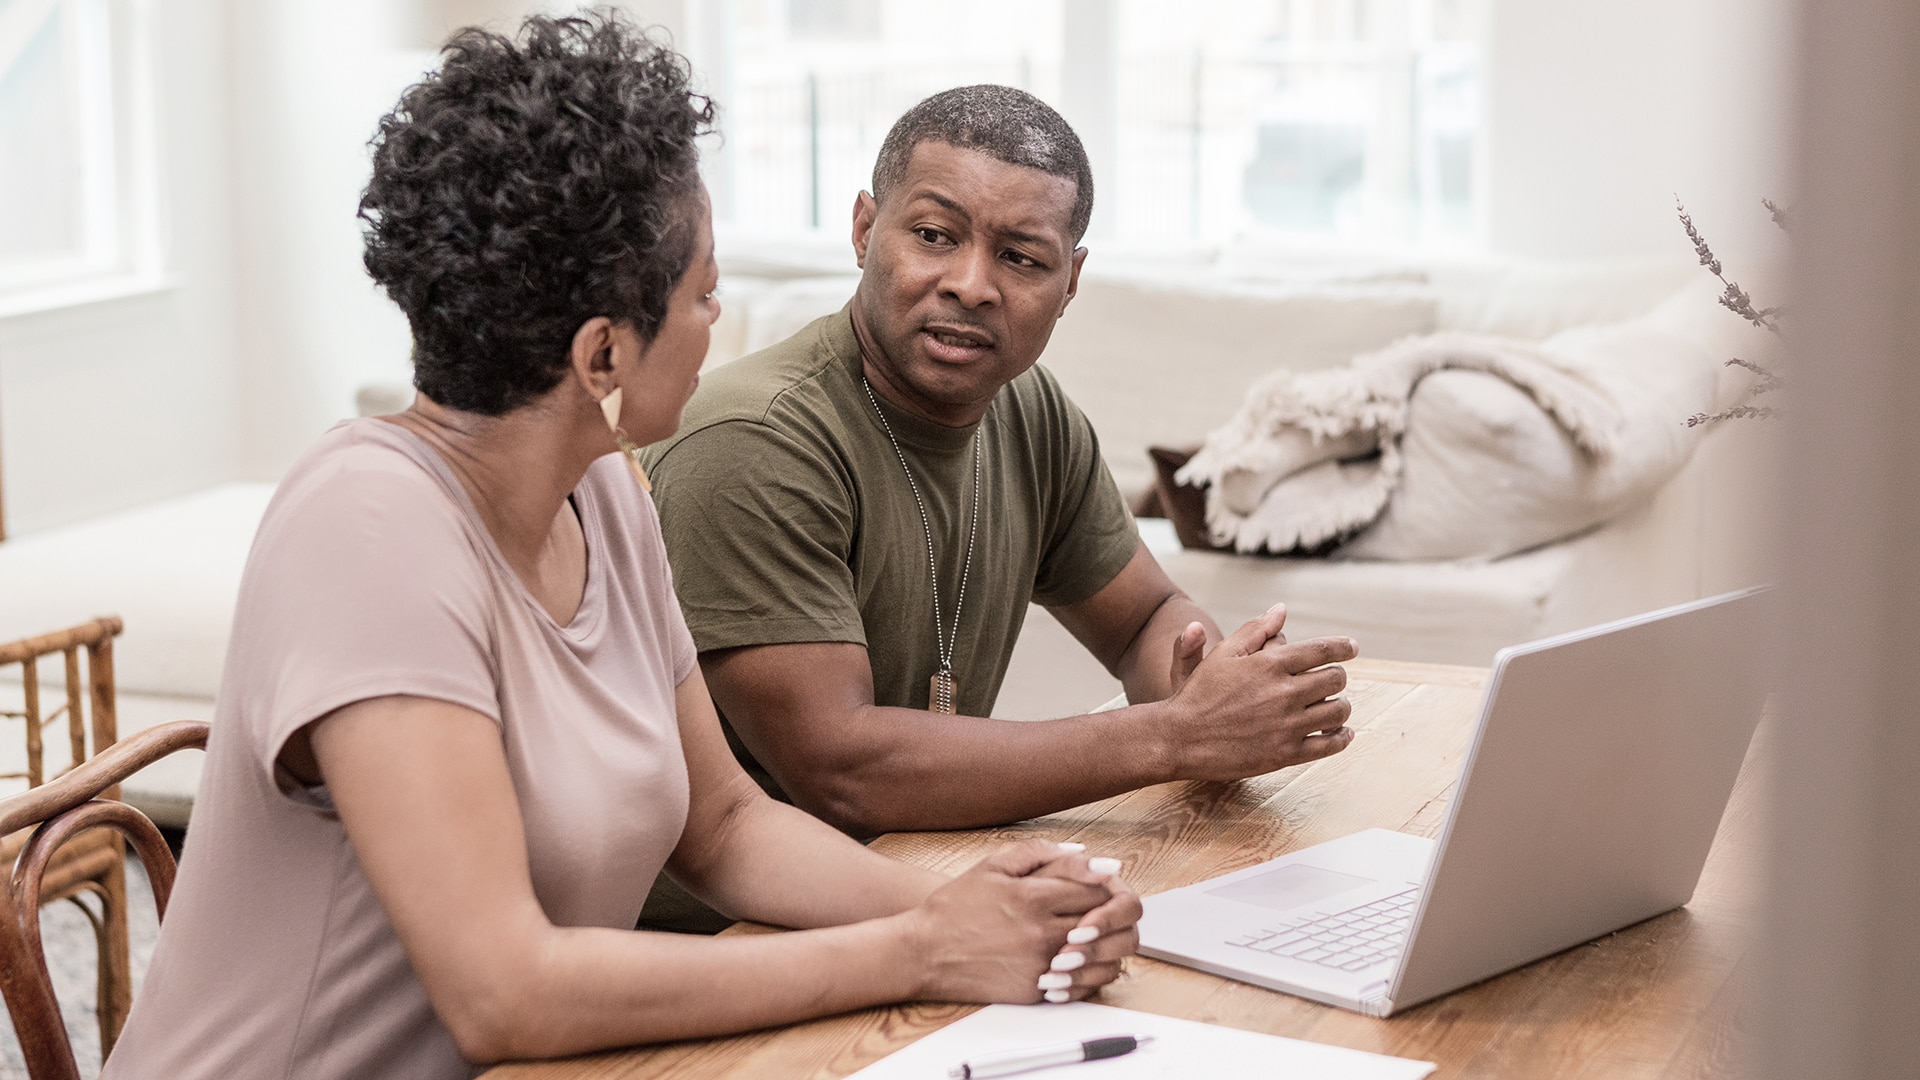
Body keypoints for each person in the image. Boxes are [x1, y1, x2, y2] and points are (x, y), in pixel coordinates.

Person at [101, 18, 1138, 1080]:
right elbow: (504, 993)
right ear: (603, 353)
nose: (717, 321)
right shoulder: (367, 528)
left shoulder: (604, 488)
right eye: (703, 294)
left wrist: (966, 907)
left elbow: (724, 825)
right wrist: (918, 950)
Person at [640, 86, 1360, 850]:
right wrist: (1176, 736)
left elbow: (1144, 618)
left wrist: (1207, 686)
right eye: (933, 235)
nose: (972, 284)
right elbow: (842, 770)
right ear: (864, 229)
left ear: (1069, 282)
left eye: (1020, 258)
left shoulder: (1028, 411)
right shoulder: (753, 441)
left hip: (923, 870)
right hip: (738, 915)